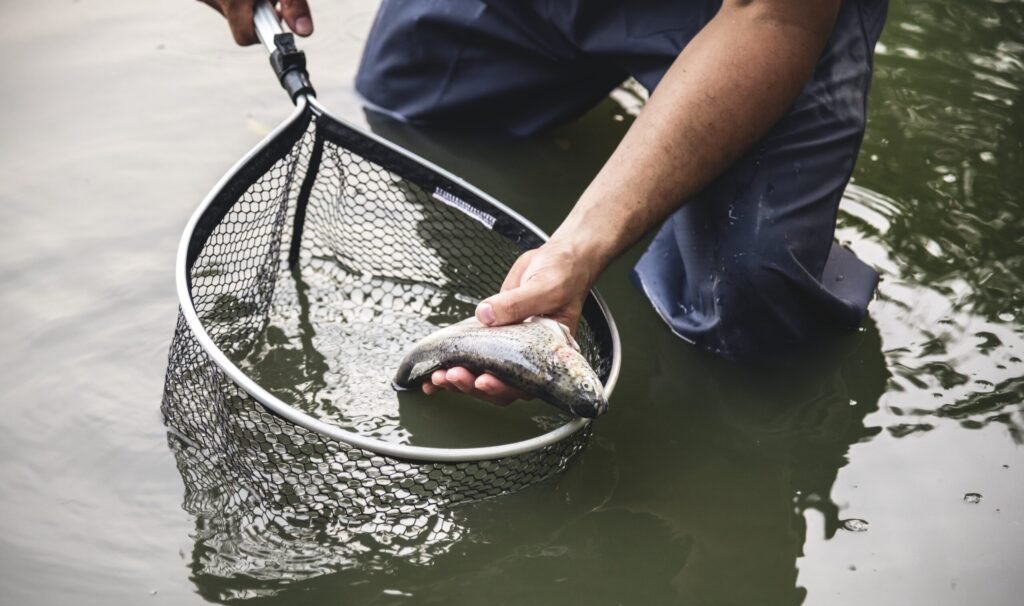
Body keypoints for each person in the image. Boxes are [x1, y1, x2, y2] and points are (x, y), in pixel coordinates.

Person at [201, 0, 889, 404]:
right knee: (409, 108)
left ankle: (665, 163)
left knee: (744, 306)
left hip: (755, 15)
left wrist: (580, 246)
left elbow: (777, 16)